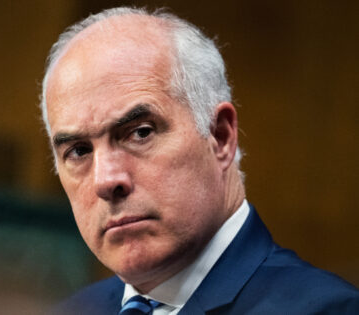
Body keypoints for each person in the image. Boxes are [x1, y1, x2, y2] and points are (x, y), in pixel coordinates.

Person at [41, 7, 359, 314]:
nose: (106, 180)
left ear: (219, 136)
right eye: (79, 151)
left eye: (140, 133)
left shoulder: (327, 309)